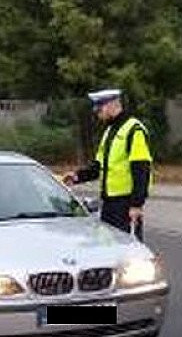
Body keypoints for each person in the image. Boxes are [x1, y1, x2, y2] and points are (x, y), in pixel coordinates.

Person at [63, 88, 154, 239]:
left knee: (129, 251)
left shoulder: (134, 130)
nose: (97, 112)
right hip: (109, 202)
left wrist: (136, 205)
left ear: (112, 105)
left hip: (126, 204)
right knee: (108, 245)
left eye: (100, 108)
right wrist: (77, 176)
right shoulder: (110, 131)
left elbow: (141, 169)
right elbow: (99, 166)